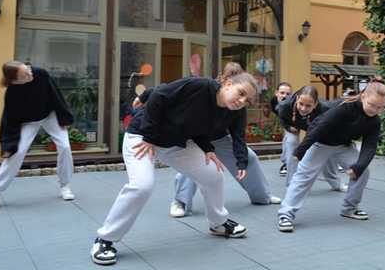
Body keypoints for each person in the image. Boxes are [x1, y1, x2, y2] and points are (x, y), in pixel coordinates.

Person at [91, 73, 258, 266]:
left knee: (213, 175)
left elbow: (200, 126)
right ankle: (105, 239)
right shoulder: (201, 86)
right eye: (241, 93)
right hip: (143, 137)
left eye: (247, 100)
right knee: (142, 186)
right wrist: (150, 134)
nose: (242, 100)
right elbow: (159, 94)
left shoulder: (233, 110)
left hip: (177, 143)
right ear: (228, 84)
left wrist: (208, 150)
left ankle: (218, 223)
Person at [169, 63, 281, 218]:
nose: (240, 99)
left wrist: (241, 162)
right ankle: (180, 202)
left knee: (250, 158)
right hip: (195, 138)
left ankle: (262, 196)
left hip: (219, 138)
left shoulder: (238, 106)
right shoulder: (206, 90)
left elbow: (238, 136)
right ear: (225, 81)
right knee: (192, 166)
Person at [277, 78, 385, 232]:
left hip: (343, 146)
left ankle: (349, 208)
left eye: (380, 107)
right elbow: (321, 127)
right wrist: (301, 150)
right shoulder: (345, 107)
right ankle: (285, 215)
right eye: (372, 105)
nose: (374, 110)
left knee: (363, 172)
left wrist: (358, 167)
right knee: (304, 176)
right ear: (363, 96)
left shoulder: (374, 121)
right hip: (321, 142)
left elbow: (370, 146)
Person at [0, 61, 75, 212]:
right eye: (25, 74)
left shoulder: (40, 73)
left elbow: (56, 95)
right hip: (28, 121)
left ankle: (65, 185)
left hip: (49, 114)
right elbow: (9, 121)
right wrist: (7, 146)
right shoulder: (12, 94)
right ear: (15, 80)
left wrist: (64, 118)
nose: (30, 74)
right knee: (17, 153)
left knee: (65, 147)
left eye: (28, 70)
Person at [277, 86, 345, 190]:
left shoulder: (325, 108)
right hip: (294, 125)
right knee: (291, 142)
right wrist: (288, 127)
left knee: (328, 145)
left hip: (316, 128)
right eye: (301, 104)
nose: (303, 109)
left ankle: (335, 182)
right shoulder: (285, 106)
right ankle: (292, 184)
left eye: (308, 106)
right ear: (297, 99)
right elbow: (282, 118)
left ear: (316, 104)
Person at [270, 82, 292, 176]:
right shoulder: (274, 101)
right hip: (285, 121)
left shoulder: (291, 104)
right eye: (282, 93)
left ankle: (287, 164)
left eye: (288, 94)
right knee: (287, 138)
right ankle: (285, 160)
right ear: (276, 93)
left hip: (294, 122)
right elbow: (278, 114)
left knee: (291, 140)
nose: (284, 96)